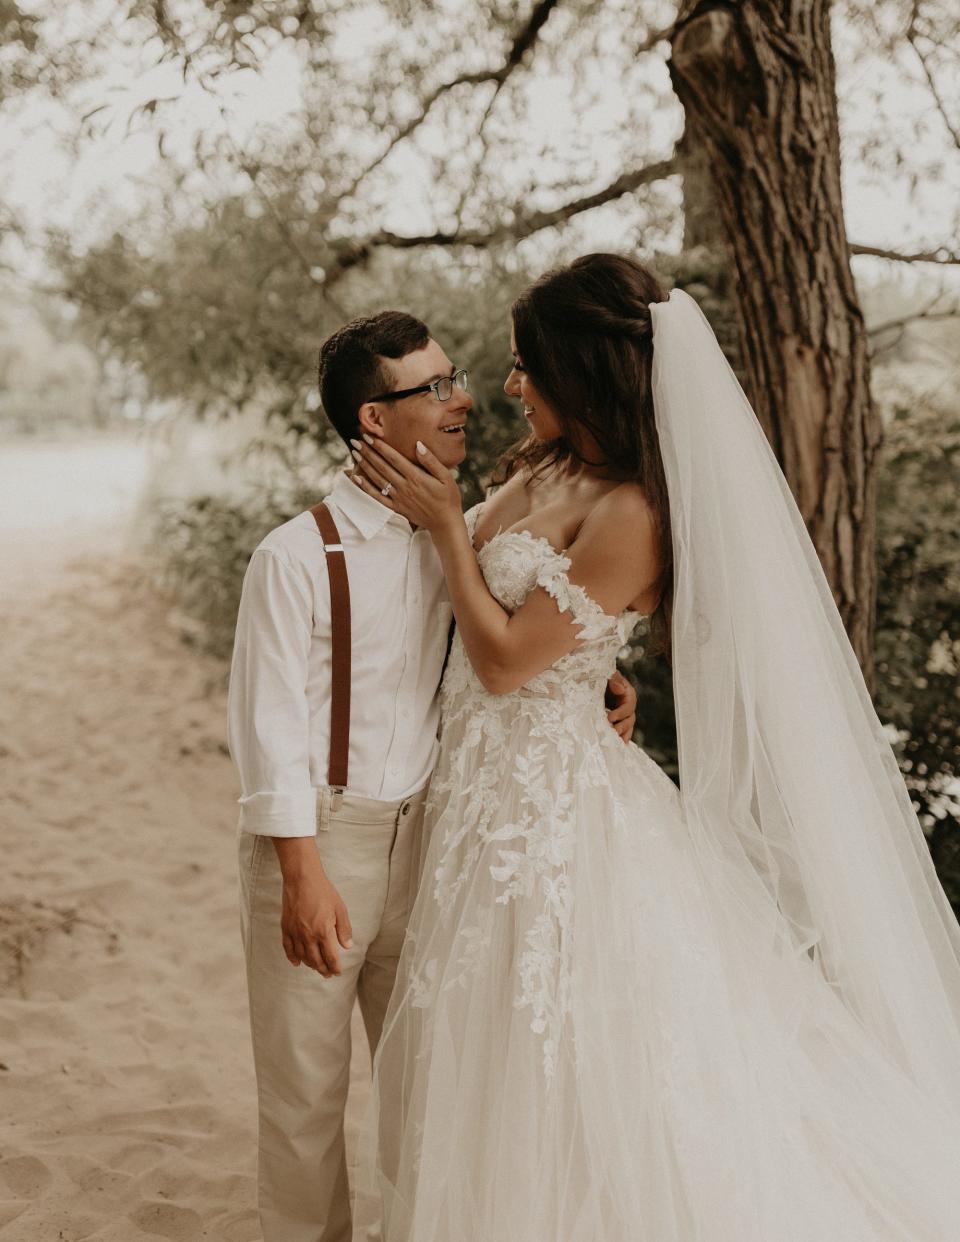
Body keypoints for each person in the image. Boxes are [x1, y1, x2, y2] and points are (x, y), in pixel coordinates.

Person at [350, 253, 960, 1240]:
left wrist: (446, 537)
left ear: (585, 371)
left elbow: (506, 658)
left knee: (556, 1049)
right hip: (479, 793)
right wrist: (591, 661)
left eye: (526, 367)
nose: (510, 385)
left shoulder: (634, 508)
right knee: (475, 1035)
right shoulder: (546, 464)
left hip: (552, 818)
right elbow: (525, 622)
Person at [226, 309, 636, 1242]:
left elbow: (513, 629)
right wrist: (299, 870)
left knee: (426, 1089)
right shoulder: (295, 557)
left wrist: (599, 667)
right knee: (304, 1095)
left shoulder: (462, 528)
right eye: (436, 387)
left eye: (456, 379)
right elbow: (267, 727)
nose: (462, 400)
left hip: (437, 839)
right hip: (325, 839)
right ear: (376, 420)